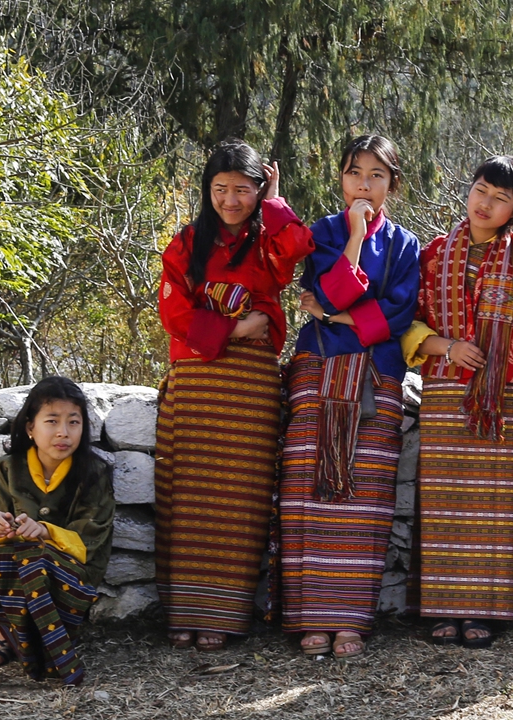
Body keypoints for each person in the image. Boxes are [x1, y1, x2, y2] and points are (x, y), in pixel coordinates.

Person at [401, 155, 513, 648]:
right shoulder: (434, 252)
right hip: (444, 385)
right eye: (481, 190)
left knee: (497, 503)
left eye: (501, 198)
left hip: (506, 391)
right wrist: (448, 347)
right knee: (445, 503)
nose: (486, 203)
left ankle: (485, 610)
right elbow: (409, 319)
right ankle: (442, 608)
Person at [155, 140, 314, 651]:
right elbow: (173, 314)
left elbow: (297, 249)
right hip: (197, 382)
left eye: (243, 190)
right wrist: (238, 327)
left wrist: (276, 201)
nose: (230, 200)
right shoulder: (186, 243)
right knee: (189, 497)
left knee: (240, 499)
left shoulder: (267, 242)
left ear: (258, 190)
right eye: (220, 188)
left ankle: (224, 615)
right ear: (207, 190)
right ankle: (184, 611)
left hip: (250, 387)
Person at [279, 135, 420, 658]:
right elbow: (332, 289)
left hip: (378, 378)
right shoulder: (322, 233)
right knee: (307, 491)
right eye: (354, 173)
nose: (364, 184)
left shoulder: (406, 246)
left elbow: (397, 317)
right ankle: (310, 619)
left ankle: (350, 619)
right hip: (317, 370)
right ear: (341, 178)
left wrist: (335, 316)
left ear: (392, 185)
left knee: (365, 499)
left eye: (376, 175)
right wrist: (356, 238)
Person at [0, 376, 115, 686]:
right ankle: (12, 630)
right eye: (52, 421)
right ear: (30, 427)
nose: (63, 432)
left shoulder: (94, 472)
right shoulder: (8, 467)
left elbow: (92, 536)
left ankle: (25, 637)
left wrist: (44, 532)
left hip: (70, 571)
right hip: (16, 561)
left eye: (73, 422)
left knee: (36, 561)